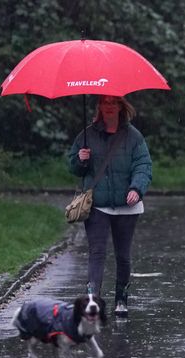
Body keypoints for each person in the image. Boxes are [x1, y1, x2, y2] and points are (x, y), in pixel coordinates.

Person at [68, 95, 152, 317]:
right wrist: (80, 159)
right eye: (104, 103)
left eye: (113, 103)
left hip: (127, 205)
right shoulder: (86, 136)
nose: (108, 107)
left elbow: (143, 165)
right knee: (96, 253)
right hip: (98, 204)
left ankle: (121, 299)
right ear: (99, 107)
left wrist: (136, 188)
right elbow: (74, 168)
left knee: (123, 255)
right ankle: (92, 302)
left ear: (121, 107)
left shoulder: (134, 137)